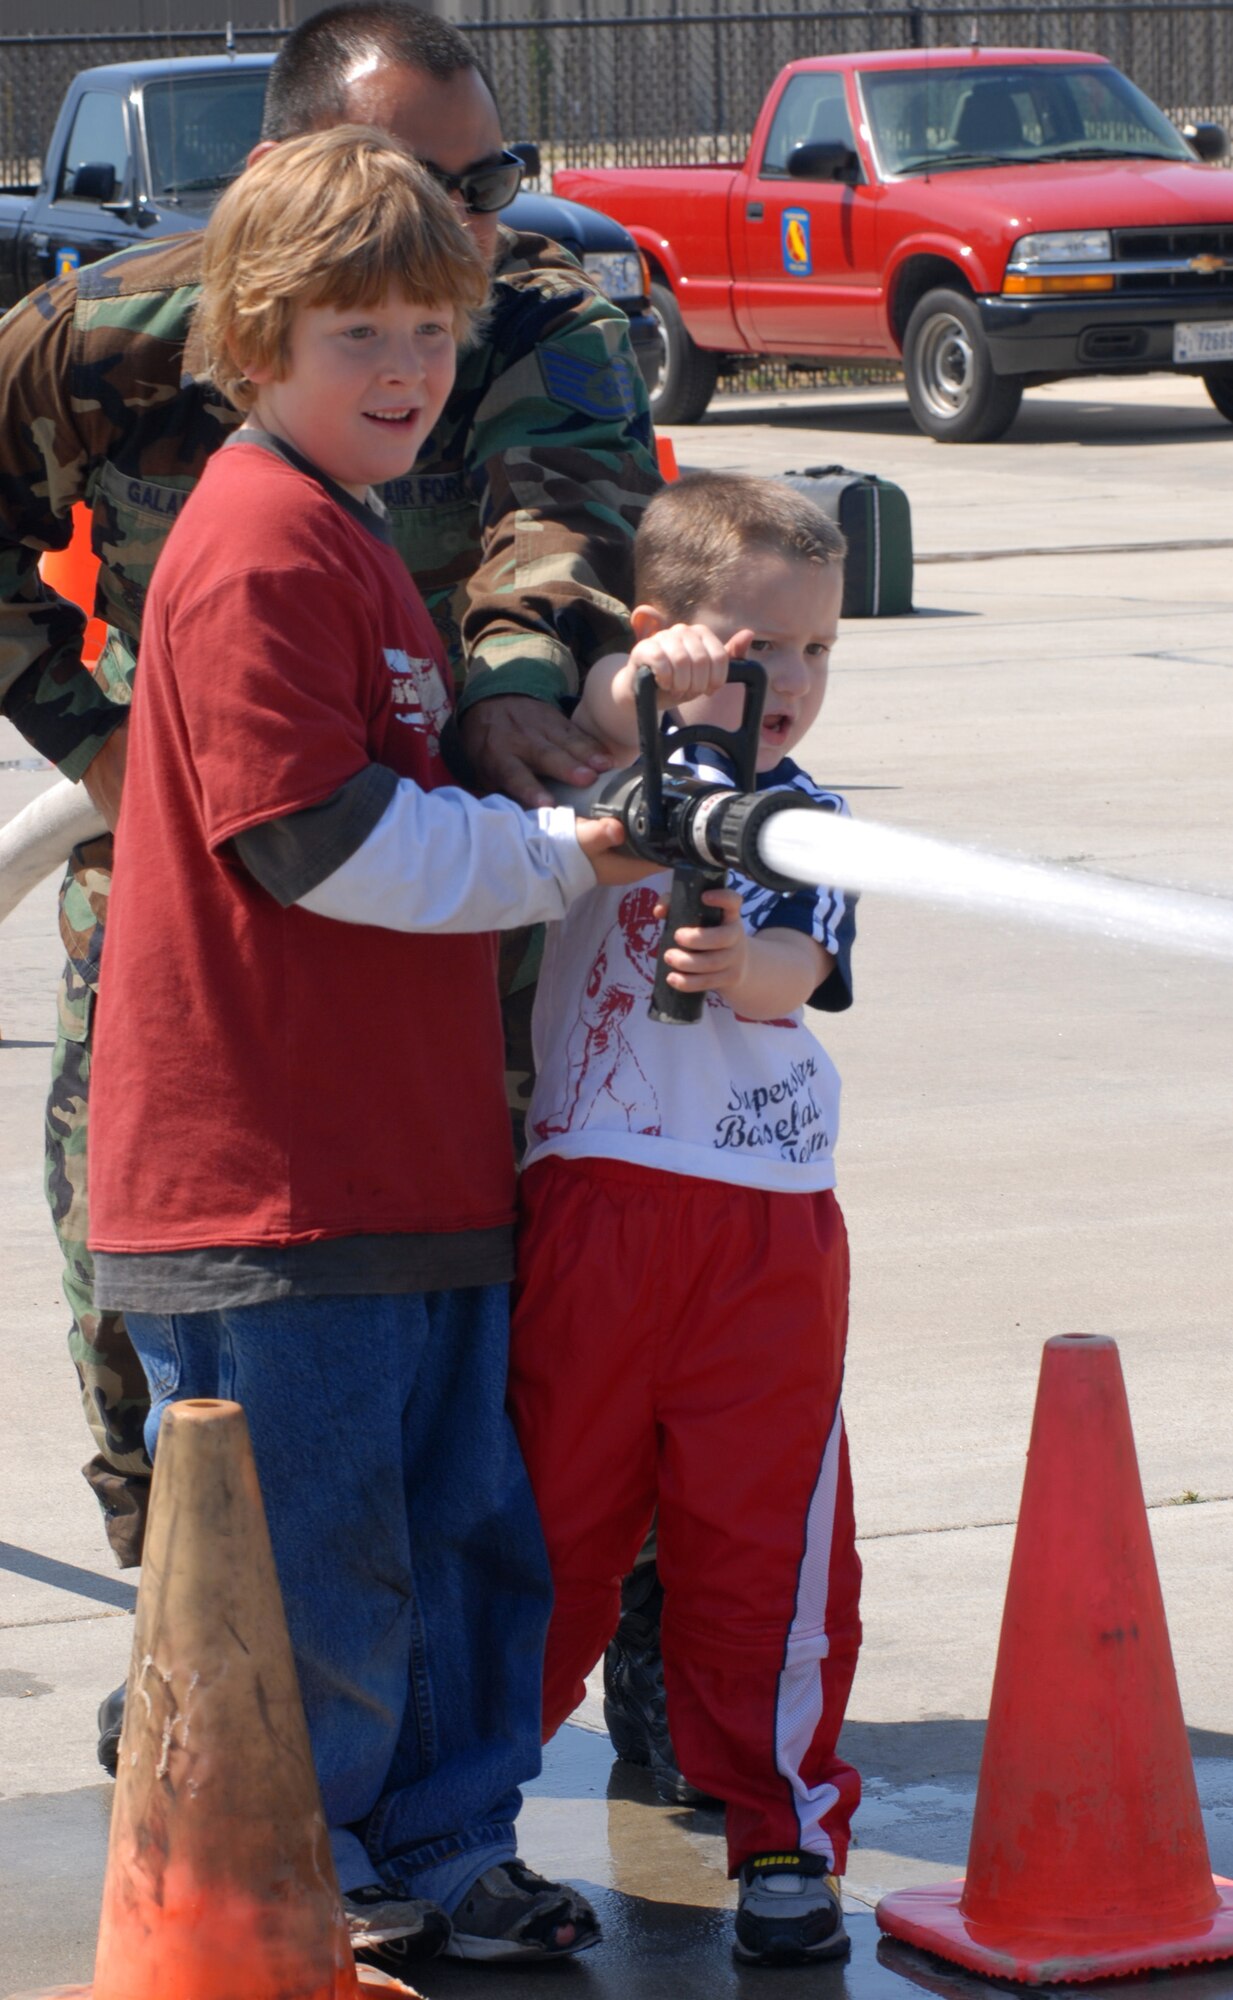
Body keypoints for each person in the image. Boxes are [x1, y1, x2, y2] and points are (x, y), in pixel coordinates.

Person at [0, 0, 657, 1596]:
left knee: (540, 1270)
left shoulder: (528, 313)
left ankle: (602, 1634)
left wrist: (507, 690)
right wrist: (99, 743)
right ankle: (197, 1645)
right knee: (153, 1273)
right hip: (195, 903)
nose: (463, 229)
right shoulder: (107, 334)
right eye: (420, 186)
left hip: (471, 872)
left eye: (488, 178)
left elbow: (567, 514)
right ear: (286, 180)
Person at [87, 126, 647, 1976]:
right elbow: (316, 846)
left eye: (429, 327)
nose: (405, 370)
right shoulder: (259, 548)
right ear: (250, 349)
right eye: (355, 337)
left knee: (458, 1545)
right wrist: (563, 855)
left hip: (399, 1181)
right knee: (320, 1577)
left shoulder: (338, 534)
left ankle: (434, 1849)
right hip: (272, 1197)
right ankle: (296, 1882)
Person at [507, 472, 862, 1969]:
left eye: (819, 652)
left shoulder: (812, 824)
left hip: (765, 1236)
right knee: (542, 1529)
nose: (785, 683)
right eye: (751, 647)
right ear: (662, 640)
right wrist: (643, 698)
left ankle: (776, 1831)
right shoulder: (588, 781)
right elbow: (576, 712)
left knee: (762, 1539)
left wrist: (739, 964)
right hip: (589, 1212)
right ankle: (458, 1814)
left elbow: (798, 971)